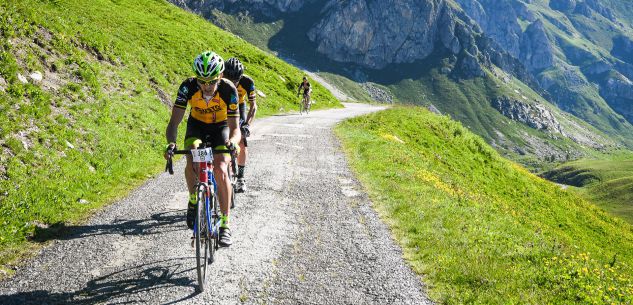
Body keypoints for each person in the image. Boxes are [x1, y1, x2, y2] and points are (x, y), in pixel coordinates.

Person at [164, 51, 241, 247]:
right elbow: (174, 123)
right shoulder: (187, 87)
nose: (206, 86)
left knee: (221, 168)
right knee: (193, 157)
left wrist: (232, 142)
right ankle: (193, 199)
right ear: (196, 78)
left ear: (220, 77)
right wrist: (172, 143)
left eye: (212, 81)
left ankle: (225, 225)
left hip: (220, 128)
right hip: (196, 127)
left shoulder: (229, 90)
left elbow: (235, 128)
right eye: (202, 81)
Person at [224, 58, 257, 193]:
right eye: (229, 79)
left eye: (236, 80)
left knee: (242, 140)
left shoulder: (247, 82)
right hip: (223, 107)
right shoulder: (220, 80)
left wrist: (247, 125)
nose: (233, 83)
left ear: (241, 77)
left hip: (239, 107)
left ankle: (241, 177)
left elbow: (253, 106)